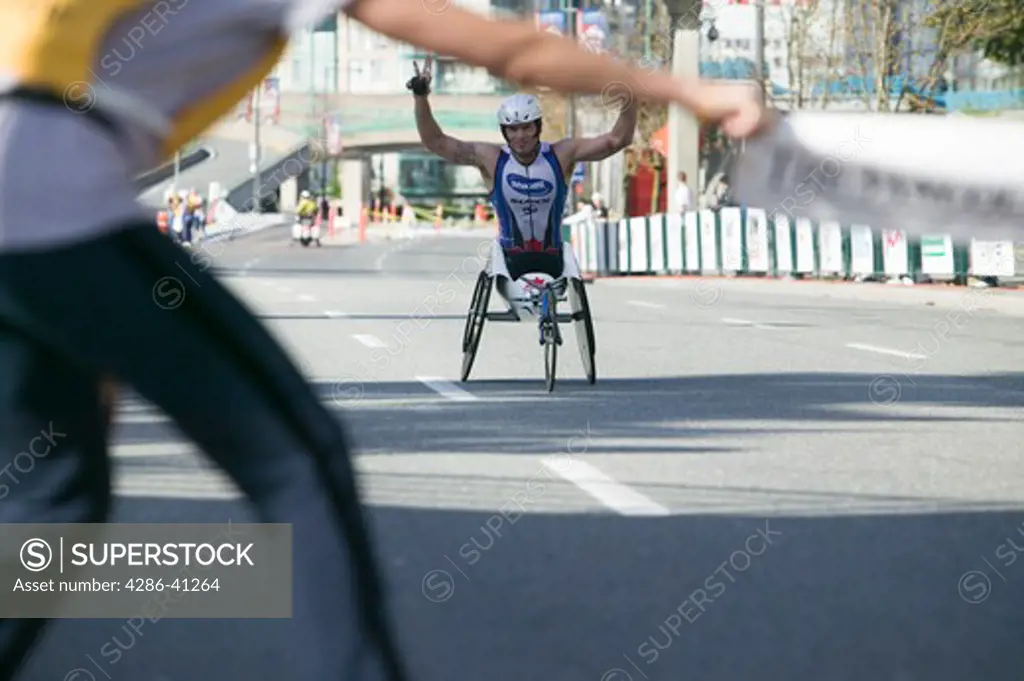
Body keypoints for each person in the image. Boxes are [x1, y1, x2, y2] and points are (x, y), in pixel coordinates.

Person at [0, 0, 769, 679]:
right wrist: (685, 89)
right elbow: (506, 48)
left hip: (36, 202)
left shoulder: (559, 156)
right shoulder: (490, 152)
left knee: (54, 493)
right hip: (45, 188)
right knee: (300, 460)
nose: (528, 133)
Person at [409, 57, 648, 305]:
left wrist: (630, 98)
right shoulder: (491, 158)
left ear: (538, 127)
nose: (520, 135)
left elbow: (616, 140)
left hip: (553, 259)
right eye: (513, 129)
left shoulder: (562, 154)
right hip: (509, 263)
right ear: (504, 132)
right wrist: (420, 97)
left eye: (526, 128)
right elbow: (436, 142)